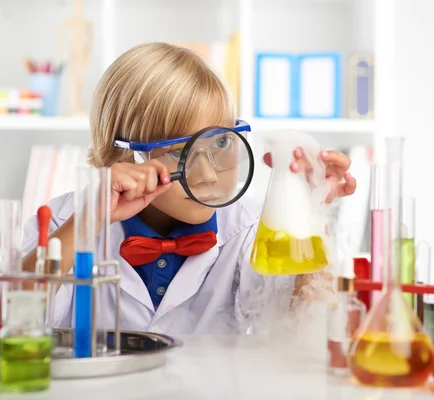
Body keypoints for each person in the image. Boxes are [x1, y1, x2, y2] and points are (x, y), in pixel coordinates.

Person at [21, 43, 357, 336]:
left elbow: (301, 329)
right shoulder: (61, 223)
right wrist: (87, 222)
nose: (209, 174)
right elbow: (11, 317)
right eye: (178, 151)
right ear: (122, 157)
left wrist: (309, 212)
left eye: (223, 141)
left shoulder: (251, 228)